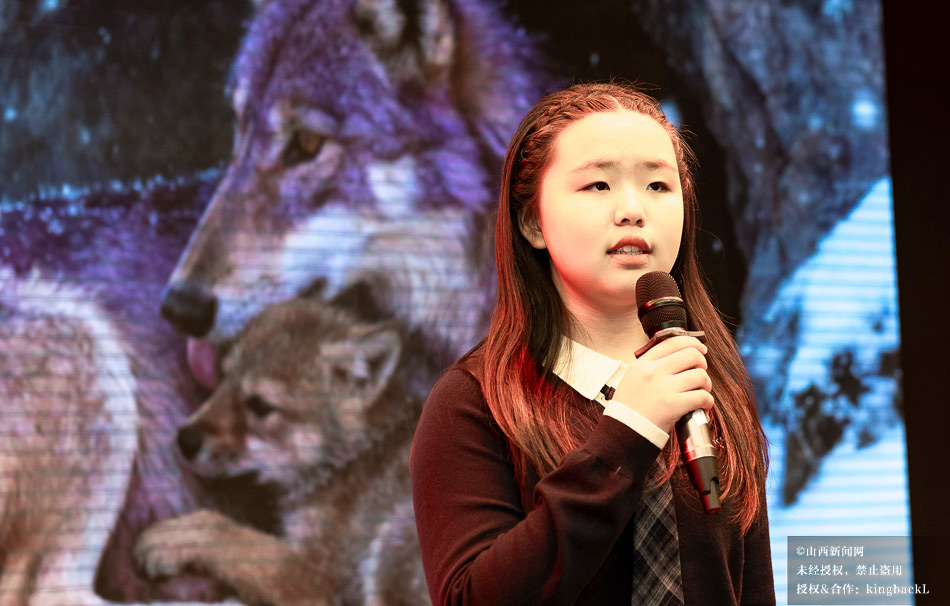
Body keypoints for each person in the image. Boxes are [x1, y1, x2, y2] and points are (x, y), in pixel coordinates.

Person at [410, 82, 774, 605]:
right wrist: (628, 431)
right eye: (598, 185)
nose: (633, 210)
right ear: (532, 222)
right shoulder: (474, 403)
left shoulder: (709, 390)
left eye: (658, 185)